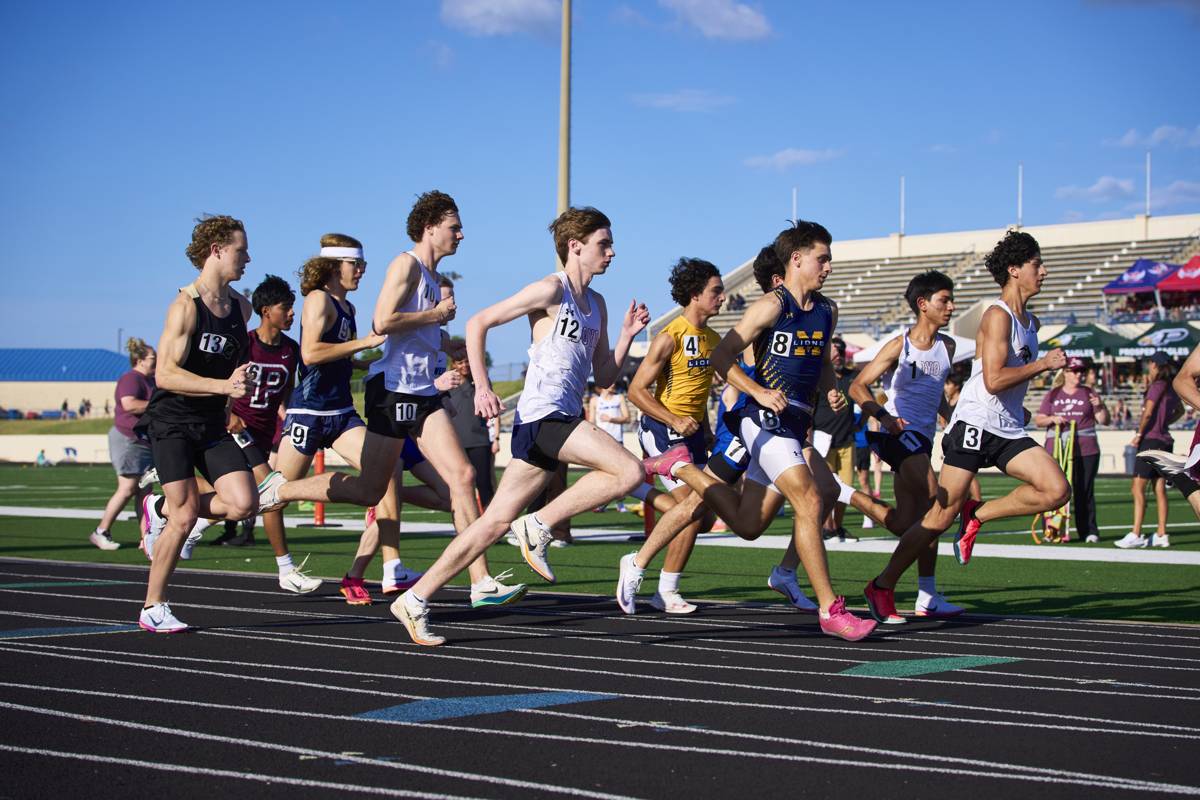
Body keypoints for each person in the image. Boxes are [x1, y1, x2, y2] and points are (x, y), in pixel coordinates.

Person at [391, 205, 650, 645]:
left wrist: (625, 335)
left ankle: (415, 599)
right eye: (603, 244)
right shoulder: (552, 289)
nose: (612, 252)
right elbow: (478, 323)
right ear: (575, 247)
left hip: (559, 418)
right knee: (630, 471)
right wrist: (484, 387)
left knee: (490, 524)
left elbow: (605, 376)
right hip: (544, 415)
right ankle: (538, 525)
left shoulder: (599, 305)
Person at [260, 193, 525, 609]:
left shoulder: (434, 279)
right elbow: (382, 321)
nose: (460, 234)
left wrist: (443, 369)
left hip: (421, 392)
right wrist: (434, 315)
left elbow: (423, 338)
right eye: (454, 226)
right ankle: (284, 489)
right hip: (393, 392)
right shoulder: (405, 265)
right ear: (430, 227)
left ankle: (481, 581)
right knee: (371, 490)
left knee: (463, 478)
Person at [641, 223, 878, 641]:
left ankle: (682, 469)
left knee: (750, 525)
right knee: (810, 497)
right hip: (763, 420)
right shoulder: (772, 306)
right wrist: (758, 391)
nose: (828, 266)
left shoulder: (827, 309)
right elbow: (722, 354)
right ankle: (830, 609)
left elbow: (820, 361)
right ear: (796, 259)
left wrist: (832, 391)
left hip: (797, 420)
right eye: (822, 258)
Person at [863, 230, 1069, 624]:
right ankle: (883, 585)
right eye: (1036, 264)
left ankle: (977, 515)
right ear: (1014, 270)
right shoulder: (997, 316)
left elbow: (1003, 383)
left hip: (1006, 427)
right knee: (939, 517)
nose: (1043, 271)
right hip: (973, 425)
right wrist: (1044, 365)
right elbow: (992, 379)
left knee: (1056, 490)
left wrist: (1020, 411)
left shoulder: (1033, 321)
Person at [135, 215, 261, 633]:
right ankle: (153, 606)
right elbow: (166, 374)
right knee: (186, 514)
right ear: (217, 250)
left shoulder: (240, 307)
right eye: (241, 250)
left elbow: (234, 357)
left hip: (210, 424)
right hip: (172, 422)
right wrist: (222, 385)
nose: (247, 258)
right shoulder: (185, 306)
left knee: (244, 503)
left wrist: (240, 380)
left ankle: (158, 509)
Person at [844, 270, 963, 622]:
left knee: (906, 523)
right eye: (945, 300)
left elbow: (935, 388)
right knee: (937, 501)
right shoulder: (901, 346)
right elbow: (857, 387)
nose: (951, 307)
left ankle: (845, 494)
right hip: (894, 432)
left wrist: (948, 414)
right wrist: (886, 419)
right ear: (923, 305)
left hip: (922, 439)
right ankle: (886, 587)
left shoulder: (949, 347)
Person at [621, 257, 725, 612]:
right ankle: (665, 589)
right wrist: (674, 420)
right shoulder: (670, 337)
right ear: (695, 294)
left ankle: (641, 487)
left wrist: (706, 430)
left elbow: (699, 392)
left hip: (694, 434)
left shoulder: (714, 339)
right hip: (663, 431)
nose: (723, 297)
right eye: (716, 291)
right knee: (691, 508)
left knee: (703, 513)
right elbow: (636, 391)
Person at [1032, 356, 1109, 544]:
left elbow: (1104, 420)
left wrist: (1099, 406)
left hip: (1085, 449)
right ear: (1065, 373)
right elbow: (1039, 420)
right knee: (1053, 490)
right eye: (1074, 371)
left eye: (1081, 371)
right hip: (1057, 448)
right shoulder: (1053, 394)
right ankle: (1052, 530)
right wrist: (1052, 419)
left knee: (1084, 491)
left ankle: (1089, 531)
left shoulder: (1089, 392)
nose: (1078, 375)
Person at [91, 337, 156, 551]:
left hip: (144, 439)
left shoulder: (151, 380)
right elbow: (130, 404)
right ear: (139, 360)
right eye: (152, 358)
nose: (156, 361)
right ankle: (101, 531)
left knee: (145, 491)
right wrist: (158, 406)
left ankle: (146, 538)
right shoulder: (131, 378)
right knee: (127, 487)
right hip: (128, 438)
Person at [1115, 351, 1180, 548]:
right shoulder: (1171, 388)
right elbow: (1180, 411)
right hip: (1166, 440)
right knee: (1159, 488)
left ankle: (1136, 533)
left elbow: (1149, 411)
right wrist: (1165, 423)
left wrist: (1139, 434)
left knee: (1138, 487)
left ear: (1153, 365)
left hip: (1151, 440)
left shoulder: (1157, 386)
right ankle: (1161, 534)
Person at [813, 336, 858, 542]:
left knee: (846, 487)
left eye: (841, 352)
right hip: (824, 439)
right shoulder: (820, 375)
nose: (838, 356)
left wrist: (862, 421)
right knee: (826, 487)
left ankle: (837, 526)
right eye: (835, 351)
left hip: (846, 439)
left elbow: (867, 396)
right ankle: (826, 526)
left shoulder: (852, 376)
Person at [592, 382, 632, 513]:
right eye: (610, 382)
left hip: (617, 440)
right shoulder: (594, 400)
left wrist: (611, 419)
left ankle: (620, 504)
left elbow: (627, 418)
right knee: (602, 473)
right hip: (601, 442)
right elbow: (591, 422)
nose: (613, 384)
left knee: (621, 473)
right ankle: (601, 502)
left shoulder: (619, 398)